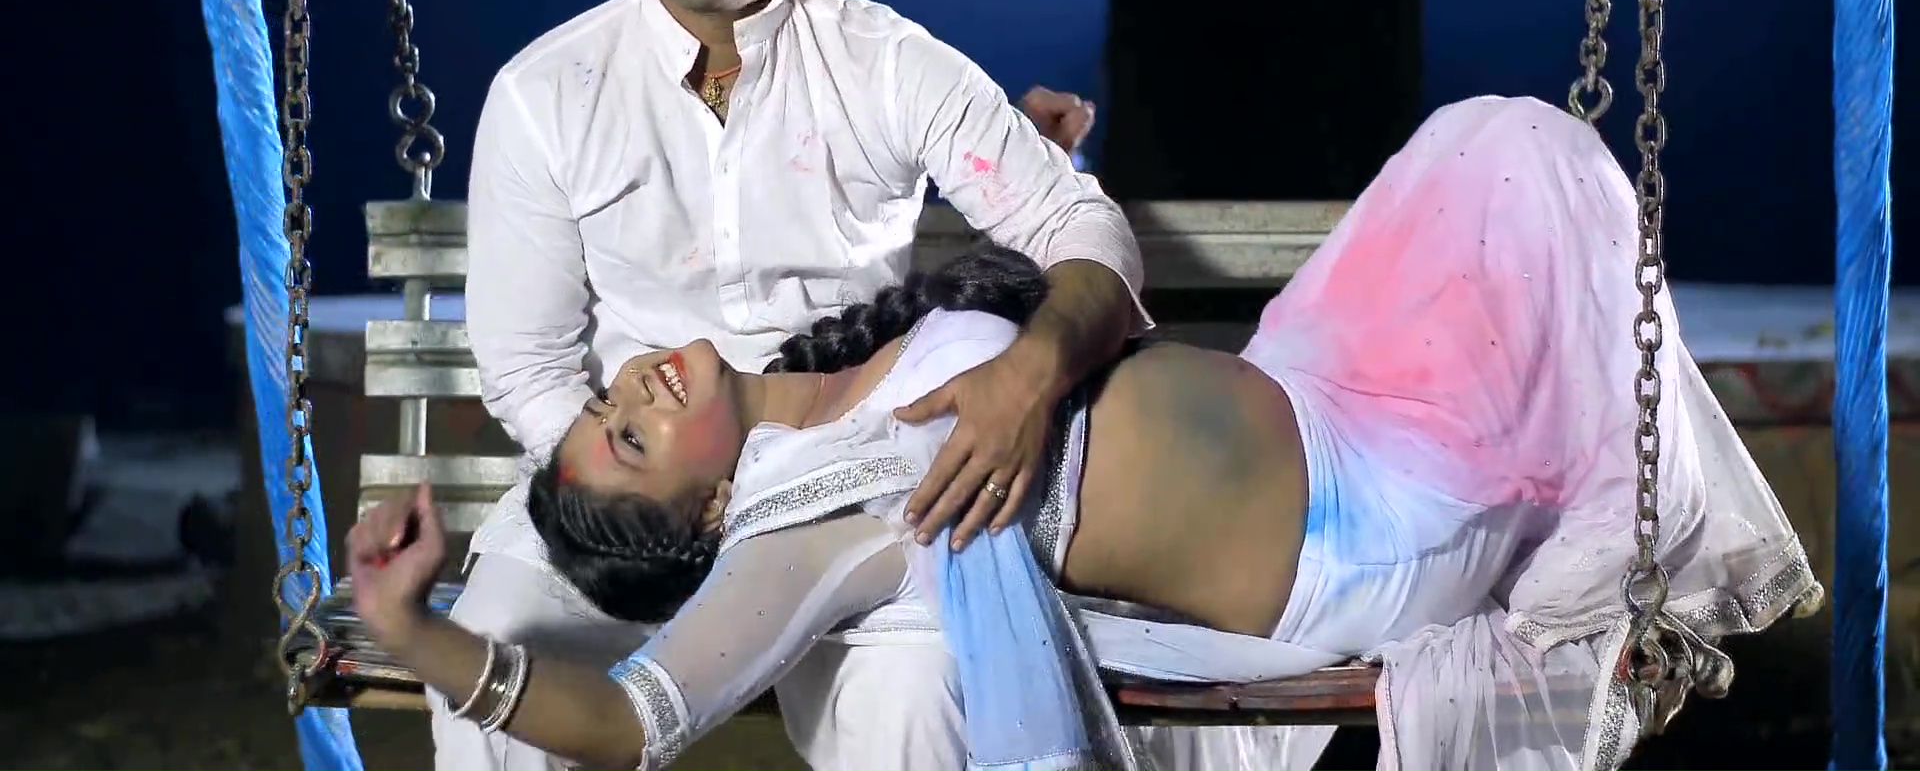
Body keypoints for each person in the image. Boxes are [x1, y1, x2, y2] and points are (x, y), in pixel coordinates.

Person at [356, 95, 1821, 771]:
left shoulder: (828, 369)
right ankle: (1604, 579)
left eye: (607, 400)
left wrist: (1034, 187)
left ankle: (1603, 537)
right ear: (698, 519)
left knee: (1494, 141)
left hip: (1323, 387)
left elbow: (1040, 294)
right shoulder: (801, 523)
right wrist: (413, 632)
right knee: (1523, 173)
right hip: (1362, 534)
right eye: (628, 441)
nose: (632, 393)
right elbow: (628, 723)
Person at [447, 0, 1156, 771]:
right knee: (491, 651)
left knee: (919, 687)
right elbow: (527, 369)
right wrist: (660, 502)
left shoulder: (883, 64)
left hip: (855, 489)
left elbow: (1080, 227)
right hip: (634, 490)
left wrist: (1030, 374)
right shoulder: (548, 93)